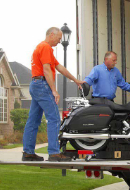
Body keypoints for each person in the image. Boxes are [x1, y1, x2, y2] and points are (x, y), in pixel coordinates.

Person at [22, 27, 85, 162]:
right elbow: (46, 69)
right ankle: (54, 153)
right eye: (58, 38)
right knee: (54, 118)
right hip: (42, 85)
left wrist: (75, 80)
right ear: (52, 35)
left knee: (33, 120)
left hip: (36, 85)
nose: (59, 41)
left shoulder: (42, 48)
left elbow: (59, 67)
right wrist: (54, 90)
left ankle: (28, 152)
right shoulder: (45, 47)